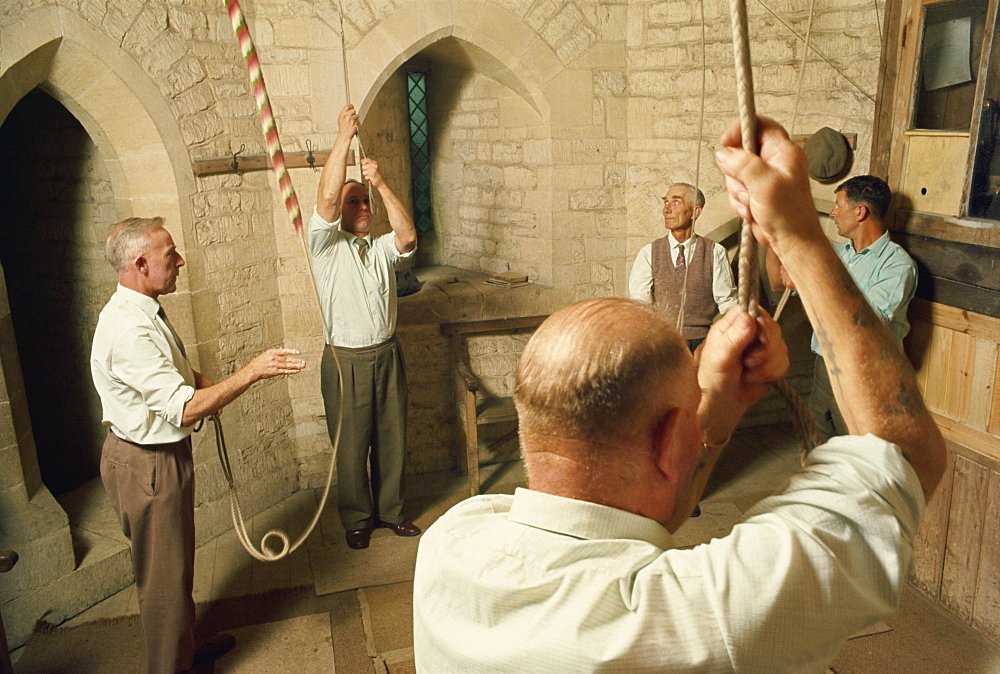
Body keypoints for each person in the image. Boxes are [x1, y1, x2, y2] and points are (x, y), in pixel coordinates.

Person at [412, 117, 946, 671]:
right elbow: (903, 458)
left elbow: (620, 518)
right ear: (671, 441)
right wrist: (799, 237)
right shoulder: (701, 618)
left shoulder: (451, 539)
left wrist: (713, 404)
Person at [91, 217, 306, 674]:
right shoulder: (130, 329)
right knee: (163, 583)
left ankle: (185, 647)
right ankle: (172, 667)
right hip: (146, 465)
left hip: (159, 459)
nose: (180, 262)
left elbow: (170, 378)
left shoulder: (142, 310)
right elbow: (182, 409)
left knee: (176, 570)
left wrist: (201, 384)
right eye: (171, 256)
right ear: (141, 263)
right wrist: (252, 371)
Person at [311, 103, 419, 550]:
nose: (358, 206)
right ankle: (357, 519)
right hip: (346, 359)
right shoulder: (323, 244)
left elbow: (408, 236)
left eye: (364, 202)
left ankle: (391, 512)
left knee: (392, 439)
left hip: (387, 354)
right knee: (351, 447)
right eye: (352, 201)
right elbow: (326, 200)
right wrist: (342, 139)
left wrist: (380, 184)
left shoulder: (379, 249)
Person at [766, 175, 917, 440]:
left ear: (860, 211)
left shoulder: (897, 266)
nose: (833, 213)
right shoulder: (838, 254)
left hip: (865, 375)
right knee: (818, 440)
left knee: (856, 453)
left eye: (839, 205)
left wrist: (815, 283)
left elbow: (869, 324)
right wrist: (773, 235)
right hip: (826, 367)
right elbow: (778, 283)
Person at [629, 182, 738, 352]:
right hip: (663, 342)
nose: (666, 209)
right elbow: (640, 304)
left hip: (702, 344)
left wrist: (729, 342)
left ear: (696, 212)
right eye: (666, 202)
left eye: (676, 202)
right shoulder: (649, 253)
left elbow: (728, 303)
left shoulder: (715, 252)